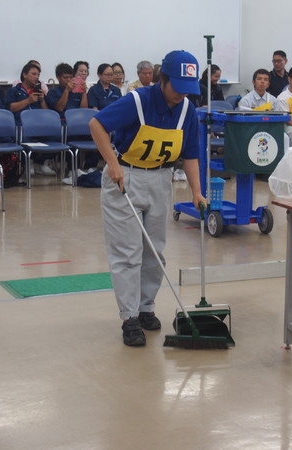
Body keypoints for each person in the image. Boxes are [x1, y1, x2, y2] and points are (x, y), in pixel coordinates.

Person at [89, 50, 205, 347]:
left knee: (154, 250)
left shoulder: (187, 110)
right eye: (177, 86)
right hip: (125, 177)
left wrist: (196, 191)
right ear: (162, 78)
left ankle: (145, 308)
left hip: (161, 179)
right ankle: (129, 317)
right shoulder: (138, 100)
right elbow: (97, 125)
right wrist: (111, 163)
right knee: (127, 252)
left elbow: (191, 154)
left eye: (187, 88)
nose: (182, 94)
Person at [5, 62, 53, 176]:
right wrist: (28, 101)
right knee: (25, 138)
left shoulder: (39, 92)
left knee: (57, 138)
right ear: (25, 74)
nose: (37, 77)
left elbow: (47, 113)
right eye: (34, 74)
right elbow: (10, 108)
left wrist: (42, 100)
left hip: (39, 125)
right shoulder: (13, 91)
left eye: (38, 75)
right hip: (21, 126)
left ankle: (39, 163)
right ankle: (27, 163)